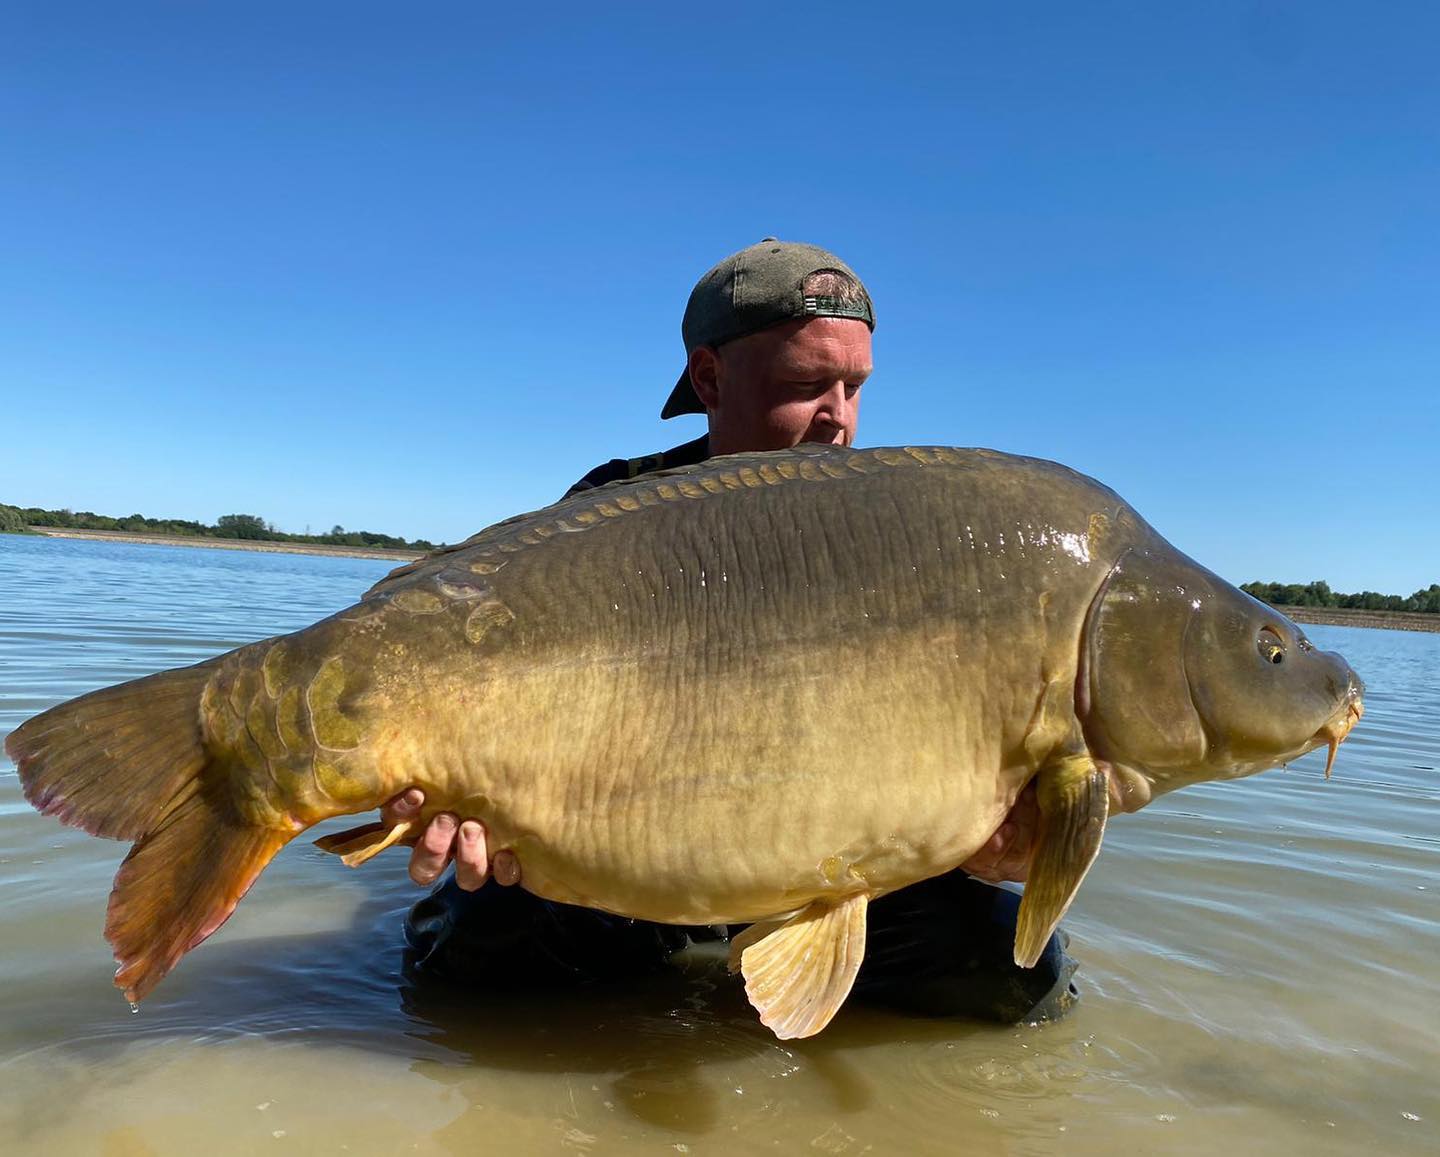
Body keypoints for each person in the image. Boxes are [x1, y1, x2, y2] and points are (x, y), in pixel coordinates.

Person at [386, 240, 1077, 1021]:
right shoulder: (608, 514)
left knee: (1019, 979)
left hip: (837, 842)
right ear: (710, 377)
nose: (839, 419)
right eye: (807, 385)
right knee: (469, 961)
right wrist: (456, 793)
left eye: (855, 387)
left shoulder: (895, 530)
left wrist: (997, 841)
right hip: (639, 845)